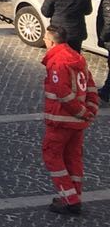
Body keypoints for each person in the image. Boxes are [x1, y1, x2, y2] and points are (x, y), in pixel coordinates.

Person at [39, 24, 99, 214]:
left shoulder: (57, 62)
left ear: (50, 41)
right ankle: (74, 194)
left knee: (52, 156)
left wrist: (80, 112)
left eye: (45, 39)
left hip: (61, 121)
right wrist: (89, 110)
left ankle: (70, 198)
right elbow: (90, 86)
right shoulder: (78, 59)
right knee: (73, 158)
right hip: (77, 123)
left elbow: (63, 94)